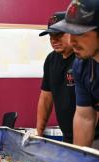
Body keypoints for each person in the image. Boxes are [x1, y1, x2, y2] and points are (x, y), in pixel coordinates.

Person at [50, 0, 99, 146]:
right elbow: (85, 118)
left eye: (79, 33)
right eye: (70, 32)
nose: (72, 41)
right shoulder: (81, 65)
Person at [36, 12, 76, 143]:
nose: (54, 39)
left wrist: (82, 146)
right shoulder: (51, 59)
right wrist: (39, 133)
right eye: (51, 35)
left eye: (59, 34)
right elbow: (46, 98)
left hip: (93, 137)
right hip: (68, 136)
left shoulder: (85, 58)